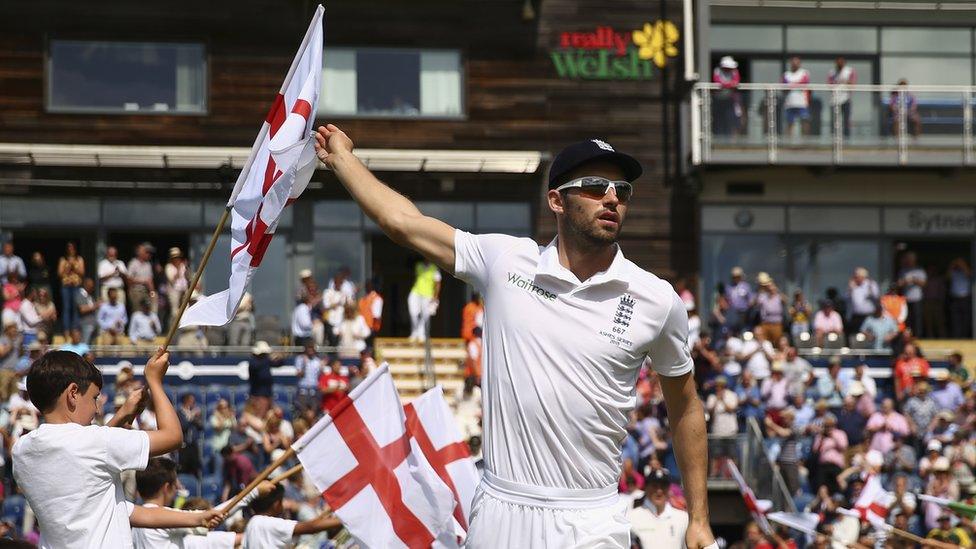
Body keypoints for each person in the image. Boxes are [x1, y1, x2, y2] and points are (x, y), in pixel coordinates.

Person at [314, 126, 716, 547]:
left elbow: (686, 407)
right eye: (595, 187)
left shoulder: (657, 298)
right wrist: (342, 157)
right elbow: (403, 223)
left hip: (592, 516)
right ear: (556, 200)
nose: (613, 197)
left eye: (622, 189)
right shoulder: (505, 261)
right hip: (501, 509)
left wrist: (699, 519)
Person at [12, 349, 217, 547]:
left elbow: (86, 454)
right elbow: (173, 437)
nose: (97, 408)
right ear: (73, 393)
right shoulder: (95, 442)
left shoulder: (21, 452)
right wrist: (155, 381)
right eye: (94, 398)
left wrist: (199, 518)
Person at [131, 457, 262, 549]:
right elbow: (211, 516)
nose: (177, 488)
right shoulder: (165, 517)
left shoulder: (133, 521)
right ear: (166, 488)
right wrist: (254, 493)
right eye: (175, 485)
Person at [241, 484, 342, 549]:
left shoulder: (252, 525)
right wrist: (342, 520)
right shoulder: (264, 523)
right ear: (277, 504)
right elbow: (311, 527)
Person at [627, 469, 689, 549]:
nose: (659, 491)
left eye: (663, 486)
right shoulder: (631, 518)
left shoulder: (683, 518)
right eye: (654, 486)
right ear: (646, 487)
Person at [408, 257, 441, 342]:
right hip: (416, 291)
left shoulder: (435, 269)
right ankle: (415, 332)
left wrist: (435, 296)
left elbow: (437, 284)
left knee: (425, 315)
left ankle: (421, 334)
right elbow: (416, 278)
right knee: (413, 313)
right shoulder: (418, 266)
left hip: (428, 294)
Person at [57, 241, 85, 333]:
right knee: (66, 308)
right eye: (69, 248)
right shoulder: (63, 259)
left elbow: (82, 273)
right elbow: (59, 274)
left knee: (76, 308)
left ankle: (75, 329)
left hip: (76, 285)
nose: (70, 250)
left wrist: (74, 267)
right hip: (66, 286)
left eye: (72, 248)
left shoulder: (79, 259)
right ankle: (66, 329)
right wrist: (67, 268)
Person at [712, 56, 742, 136]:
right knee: (720, 118)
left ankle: (730, 136)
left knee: (731, 118)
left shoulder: (734, 71)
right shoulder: (717, 71)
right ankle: (719, 135)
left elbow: (736, 82)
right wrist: (728, 85)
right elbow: (717, 82)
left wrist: (727, 85)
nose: (729, 69)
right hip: (719, 98)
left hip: (730, 98)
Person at [248, 341, 283, 410]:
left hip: (268, 393)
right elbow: (256, 368)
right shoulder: (253, 362)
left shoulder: (266, 361)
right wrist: (268, 359)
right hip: (257, 394)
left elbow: (278, 364)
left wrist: (280, 357)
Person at [827, 56, 857, 138]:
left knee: (846, 120)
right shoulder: (832, 72)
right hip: (835, 99)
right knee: (834, 120)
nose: (840, 63)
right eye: (838, 61)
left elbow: (853, 84)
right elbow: (829, 85)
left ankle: (847, 138)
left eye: (841, 61)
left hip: (846, 99)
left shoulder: (849, 71)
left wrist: (845, 82)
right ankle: (834, 137)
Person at [783, 56, 811, 137]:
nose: (795, 64)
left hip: (802, 103)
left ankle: (805, 141)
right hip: (790, 103)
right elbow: (784, 88)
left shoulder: (804, 73)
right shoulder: (786, 74)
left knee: (805, 122)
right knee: (790, 123)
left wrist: (791, 85)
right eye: (793, 63)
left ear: (799, 64)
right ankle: (788, 142)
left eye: (797, 63)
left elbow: (804, 84)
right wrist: (796, 84)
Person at [755, 272, 785, 342]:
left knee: (777, 342)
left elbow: (784, 300)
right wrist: (761, 289)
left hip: (777, 324)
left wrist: (775, 290)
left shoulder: (778, 296)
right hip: (765, 324)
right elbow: (756, 303)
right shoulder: (762, 295)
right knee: (765, 343)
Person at [164, 247, 189, 327]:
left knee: (185, 309)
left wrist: (186, 268)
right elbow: (172, 280)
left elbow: (187, 277)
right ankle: (173, 327)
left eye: (178, 257)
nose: (177, 259)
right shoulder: (169, 267)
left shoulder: (183, 266)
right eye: (175, 257)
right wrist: (178, 269)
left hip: (184, 290)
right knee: (174, 311)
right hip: (173, 291)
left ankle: (183, 326)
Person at [294, 343, 322, 413]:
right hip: (303, 389)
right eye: (308, 349)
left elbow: (319, 375)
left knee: (314, 411)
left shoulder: (317, 361)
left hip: (314, 389)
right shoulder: (300, 359)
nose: (310, 351)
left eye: (312, 349)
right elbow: (299, 374)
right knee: (303, 412)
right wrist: (304, 364)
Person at [128, 244, 156, 313]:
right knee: (138, 312)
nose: (148, 254)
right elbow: (129, 280)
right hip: (136, 291)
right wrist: (143, 282)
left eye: (149, 253)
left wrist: (152, 293)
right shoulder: (133, 263)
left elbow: (150, 280)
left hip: (146, 292)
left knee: (148, 311)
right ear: (139, 253)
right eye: (146, 252)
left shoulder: (148, 265)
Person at [947, 258, 972, 337]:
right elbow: (947, 276)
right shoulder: (953, 272)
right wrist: (953, 265)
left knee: (965, 319)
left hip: (965, 298)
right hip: (954, 299)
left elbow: (969, 274)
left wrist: (963, 265)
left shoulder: (967, 271)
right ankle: (956, 336)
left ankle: (965, 336)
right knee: (955, 320)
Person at [357, 277, 383, 349]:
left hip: (370, 329)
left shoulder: (377, 298)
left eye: (367, 285)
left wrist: (373, 330)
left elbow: (377, 316)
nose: (365, 287)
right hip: (361, 329)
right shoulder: (363, 299)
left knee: (369, 349)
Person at [725, 266, 753, 332]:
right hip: (732, 313)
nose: (736, 278)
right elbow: (726, 299)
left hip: (743, 313)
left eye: (737, 276)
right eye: (734, 277)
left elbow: (751, 299)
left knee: (744, 330)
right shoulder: (729, 287)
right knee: (732, 330)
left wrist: (748, 307)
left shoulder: (746, 286)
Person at [76, 277, 99, 345]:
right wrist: (95, 305)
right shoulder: (80, 294)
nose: (92, 287)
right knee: (85, 345)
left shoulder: (90, 296)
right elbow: (82, 309)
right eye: (90, 285)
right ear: (86, 285)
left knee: (92, 348)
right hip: (85, 324)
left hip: (93, 325)